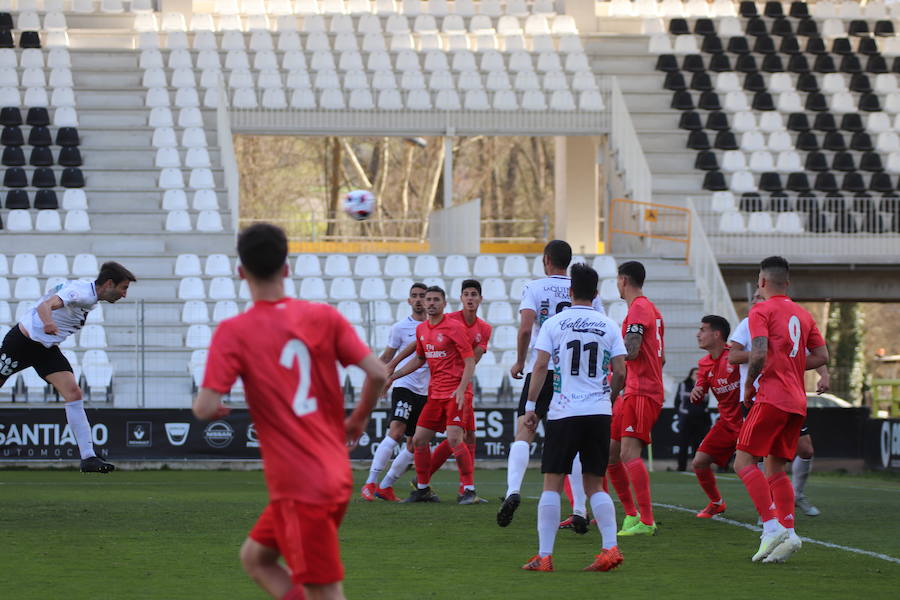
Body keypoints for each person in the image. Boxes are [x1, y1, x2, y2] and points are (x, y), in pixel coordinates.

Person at [193, 224, 387, 600]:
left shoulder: (235, 331)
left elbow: (203, 407)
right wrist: (359, 417)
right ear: (287, 268)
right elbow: (378, 373)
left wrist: (214, 408)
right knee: (256, 558)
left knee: (325, 591)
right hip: (333, 472)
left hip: (300, 485)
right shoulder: (324, 317)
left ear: (240, 273)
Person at [520, 264, 627, 573]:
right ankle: (610, 548)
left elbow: (540, 367)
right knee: (595, 484)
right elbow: (620, 371)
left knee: (552, 484)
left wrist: (531, 407)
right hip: (598, 412)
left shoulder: (554, 323)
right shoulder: (608, 324)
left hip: (564, 411)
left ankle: (545, 556)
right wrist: (610, 398)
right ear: (595, 294)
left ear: (570, 292)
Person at [498, 240, 604, 528]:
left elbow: (525, 328)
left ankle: (512, 491)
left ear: (546, 259)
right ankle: (580, 510)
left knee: (525, 429)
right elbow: (600, 327)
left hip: (542, 368)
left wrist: (521, 361)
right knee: (577, 443)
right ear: (568, 261)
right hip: (574, 373)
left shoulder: (534, 288)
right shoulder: (582, 287)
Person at [732, 256, 828, 565]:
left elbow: (758, 351)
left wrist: (749, 386)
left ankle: (771, 527)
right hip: (797, 401)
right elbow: (822, 355)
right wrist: (792, 364)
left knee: (743, 461)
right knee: (775, 468)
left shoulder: (761, 309)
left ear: (761, 282)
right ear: (787, 282)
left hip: (771, 397)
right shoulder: (803, 314)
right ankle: (790, 532)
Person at [0, 261, 135, 473]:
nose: (124, 294)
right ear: (109, 283)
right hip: (21, 344)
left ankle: (88, 458)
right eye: (123, 288)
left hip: (45, 349)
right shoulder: (81, 293)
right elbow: (43, 306)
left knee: (73, 393)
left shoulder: (88, 294)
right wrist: (47, 323)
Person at [383, 286, 478, 504]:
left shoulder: (454, 328)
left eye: (436, 299)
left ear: (444, 304)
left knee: (454, 438)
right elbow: (419, 359)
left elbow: (469, 360)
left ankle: (469, 490)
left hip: (455, 393)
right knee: (418, 440)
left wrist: (462, 389)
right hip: (434, 395)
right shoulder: (422, 330)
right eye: (429, 300)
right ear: (424, 304)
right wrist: (394, 376)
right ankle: (423, 489)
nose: (431, 303)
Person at [606, 260, 665, 536]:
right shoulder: (648, 309)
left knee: (629, 453)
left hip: (642, 391)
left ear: (623, 280)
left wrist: (610, 352)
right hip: (632, 390)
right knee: (611, 455)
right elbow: (660, 357)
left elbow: (631, 350)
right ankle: (631, 514)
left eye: (617, 280)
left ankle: (647, 520)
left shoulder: (640, 308)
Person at [422, 279, 492, 502]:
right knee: (458, 436)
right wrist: (393, 368)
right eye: (466, 294)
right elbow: (422, 349)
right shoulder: (449, 320)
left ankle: (464, 487)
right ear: (460, 298)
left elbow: (474, 357)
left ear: (480, 299)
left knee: (467, 435)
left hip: (462, 386)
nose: (470, 298)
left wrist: (462, 381)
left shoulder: (485, 328)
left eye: (474, 294)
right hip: (447, 387)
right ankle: (430, 479)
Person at [360, 283, 429, 503]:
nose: (418, 300)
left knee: (415, 442)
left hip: (428, 390)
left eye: (422, 296)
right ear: (409, 301)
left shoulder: (437, 327)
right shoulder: (400, 328)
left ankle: (386, 486)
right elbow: (387, 356)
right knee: (396, 431)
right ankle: (370, 483)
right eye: (414, 296)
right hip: (404, 385)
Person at [689, 316, 741, 518]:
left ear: (717, 334)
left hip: (748, 422)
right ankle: (716, 502)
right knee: (699, 462)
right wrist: (697, 391)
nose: (698, 334)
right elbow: (701, 385)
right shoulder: (704, 363)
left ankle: (772, 510)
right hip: (726, 423)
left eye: (703, 330)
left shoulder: (735, 357)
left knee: (748, 467)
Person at [674, 367, 710, 472]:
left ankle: (697, 467)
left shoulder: (704, 387)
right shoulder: (683, 385)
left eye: (699, 374)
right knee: (683, 444)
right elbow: (677, 402)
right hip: (686, 419)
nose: (697, 376)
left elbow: (706, 403)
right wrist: (682, 414)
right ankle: (681, 467)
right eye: (695, 374)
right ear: (690, 375)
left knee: (698, 444)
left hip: (700, 420)